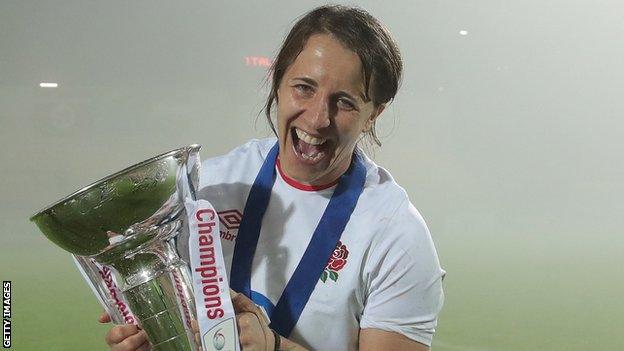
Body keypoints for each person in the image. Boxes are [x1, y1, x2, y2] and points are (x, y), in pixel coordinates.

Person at [100, 5, 445, 351]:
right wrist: (152, 332)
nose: (317, 118)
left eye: (344, 102)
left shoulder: (396, 234)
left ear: (373, 115)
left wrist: (275, 347)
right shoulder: (208, 189)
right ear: (277, 82)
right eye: (304, 88)